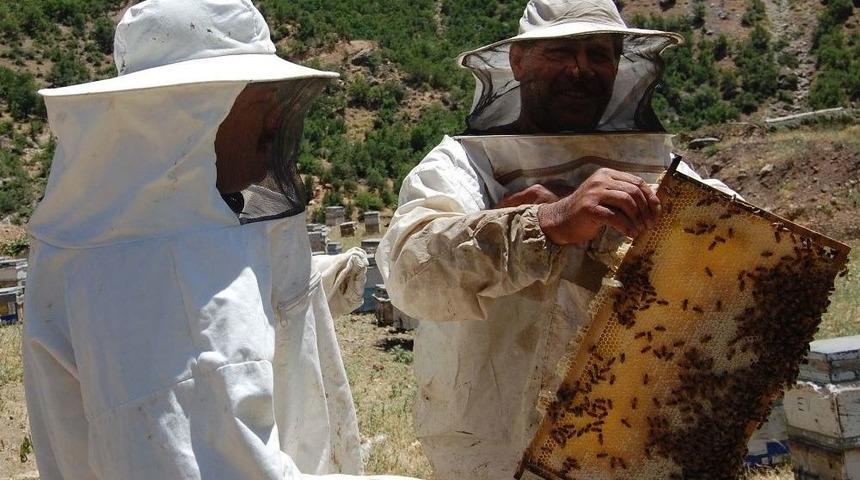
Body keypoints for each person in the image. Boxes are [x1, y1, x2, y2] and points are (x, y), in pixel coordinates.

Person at [22, 1, 420, 479]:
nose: (276, 124)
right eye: (260, 103)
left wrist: (306, 288)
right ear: (188, 114)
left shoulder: (112, 239)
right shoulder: (175, 282)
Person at [377, 0, 738, 479]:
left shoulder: (658, 167)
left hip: (629, 442)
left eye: (598, 54)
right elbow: (411, 270)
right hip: (496, 449)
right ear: (518, 61)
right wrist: (543, 223)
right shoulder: (463, 166)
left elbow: (742, 246)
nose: (580, 69)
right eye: (561, 52)